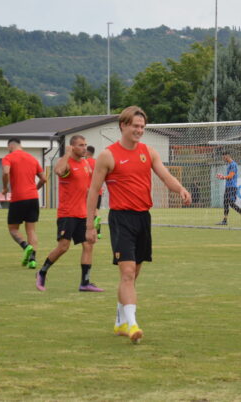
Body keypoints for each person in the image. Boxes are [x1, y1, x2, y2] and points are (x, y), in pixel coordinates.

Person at [85, 106, 191, 344]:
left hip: (143, 218)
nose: (139, 131)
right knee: (127, 273)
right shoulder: (108, 155)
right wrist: (89, 225)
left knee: (133, 276)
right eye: (135, 126)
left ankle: (120, 319)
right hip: (121, 219)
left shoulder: (149, 152)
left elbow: (165, 176)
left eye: (142, 127)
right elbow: (93, 191)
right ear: (123, 125)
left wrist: (181, 189)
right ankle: (132, 324)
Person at [36, 135, 103, 292]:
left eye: (85, 144)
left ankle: (85, 283)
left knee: (88, 245)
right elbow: (58, 170)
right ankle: (42, 272)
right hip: (67, 214)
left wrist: (92, 213)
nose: (84, 147)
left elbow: (88, 190)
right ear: (72, 147)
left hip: (82, 214)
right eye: (80, 145)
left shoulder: (86, 163)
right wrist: (66, 153)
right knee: (63, 247)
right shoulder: (67, 164)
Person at [2, 138, 47, 269]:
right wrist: (35, 189)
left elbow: (5, 172)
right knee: (31, 229)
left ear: (10, 146)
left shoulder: (8, 157)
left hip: (18, 198)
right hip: (33, 198)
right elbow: (44, 179)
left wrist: (5, 187)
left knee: (13, 228)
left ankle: (25, 246)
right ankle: (32, 259)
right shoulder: (32, 158)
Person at [216, 151, 241, 225]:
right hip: (228, 187)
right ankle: (225, 220)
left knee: (231, 203)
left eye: (224, 157)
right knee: (225, 203)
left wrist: (223, 177)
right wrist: (223, 176)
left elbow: (231, 176)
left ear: (227, 156)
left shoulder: (233, 165)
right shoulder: (229, 165)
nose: (223, 159)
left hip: (232, 187)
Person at [85, 145, 103, 238]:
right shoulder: (97, 162)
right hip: (99, 190)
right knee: (96, 211)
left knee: (88, 211)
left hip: (89, 191)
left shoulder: (84, 162)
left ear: (87, 152)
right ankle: (98, 233)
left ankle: (87, 230)